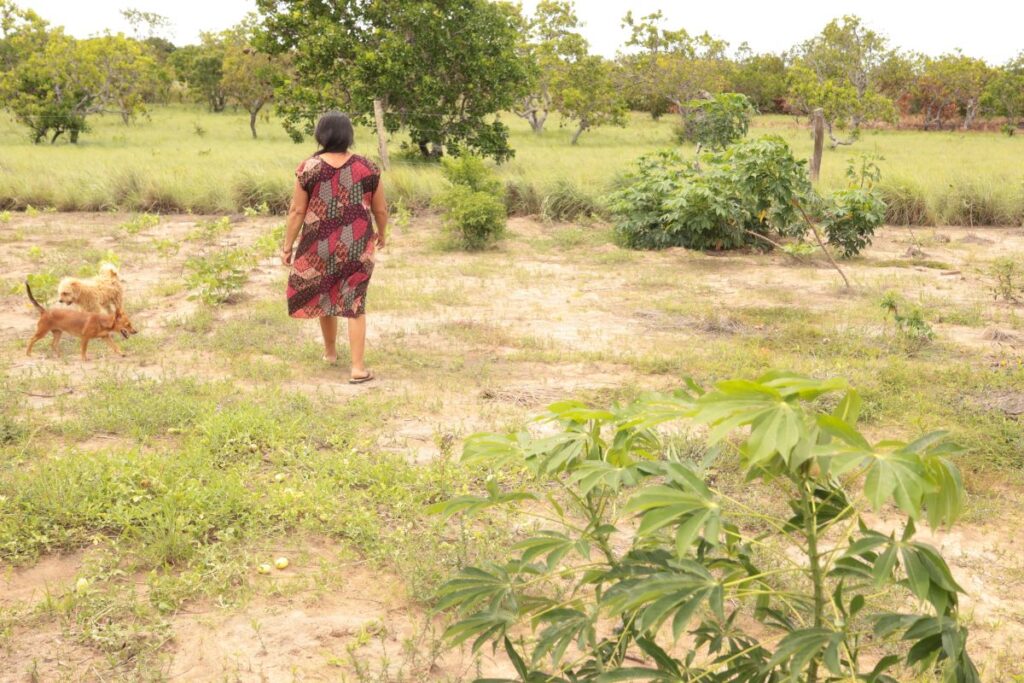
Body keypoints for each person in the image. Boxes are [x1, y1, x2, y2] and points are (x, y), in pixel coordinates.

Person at [280, 111, 387, 384]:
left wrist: (287, 245)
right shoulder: (367, 167)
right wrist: (382, 234)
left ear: (321, 135)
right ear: (348, 135)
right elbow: (381, 209)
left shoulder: (309, 168)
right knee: (355, 302)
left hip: (319, 246)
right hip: (358, 245)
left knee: (326, 294)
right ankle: (358, 368)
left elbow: (296, 211)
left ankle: (330, 353)